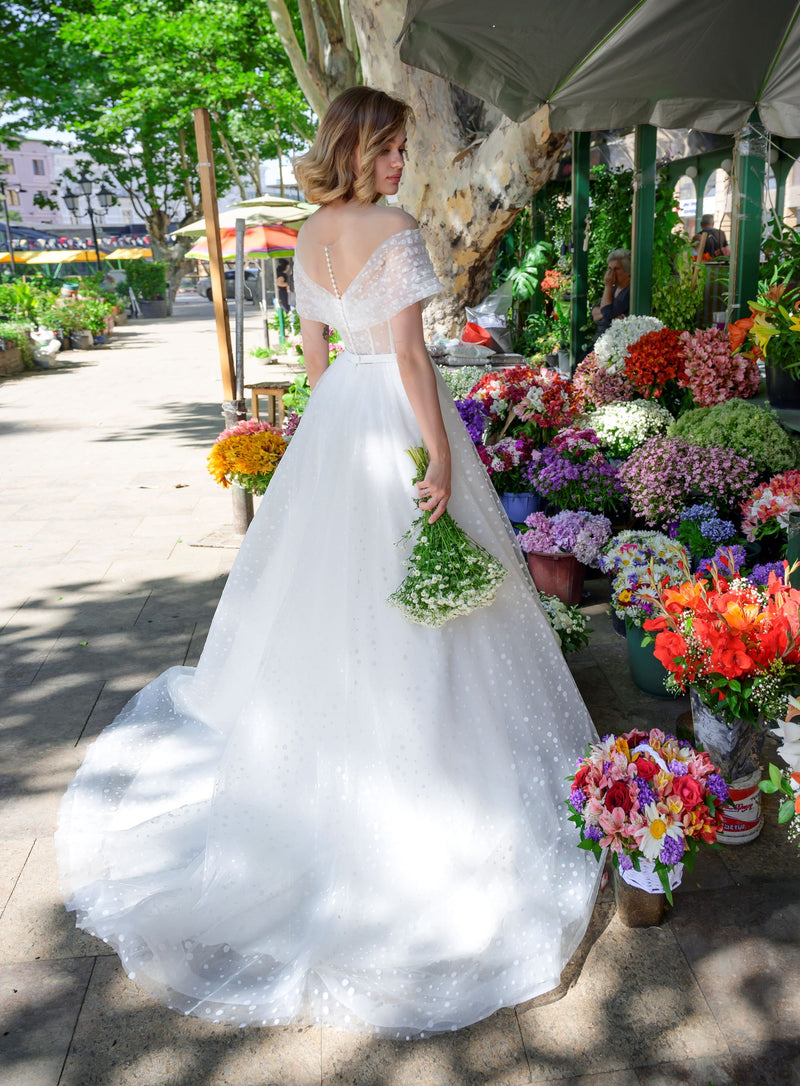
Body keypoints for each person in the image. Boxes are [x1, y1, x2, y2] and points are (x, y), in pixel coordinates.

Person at [56, 85, 602, 1037]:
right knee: (422, 594)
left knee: (336, 601)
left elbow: (317, 345)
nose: (403, 165)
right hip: (390, 416)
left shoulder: (311, 234)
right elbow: (409, 358)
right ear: (359, 146)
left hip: (335, 423)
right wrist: (435, 451)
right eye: (392, 148)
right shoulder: (393, 227)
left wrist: (322, 439)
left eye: (403, 150)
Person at [591, 248, 631, 335]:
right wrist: (605, 314)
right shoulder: (614, 289)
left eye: (616, 269)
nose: (611, 273)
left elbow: (607, 312)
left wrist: (608, 285)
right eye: (609, 268)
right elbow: (594, 312)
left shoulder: (629, 291)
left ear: (628, 271)